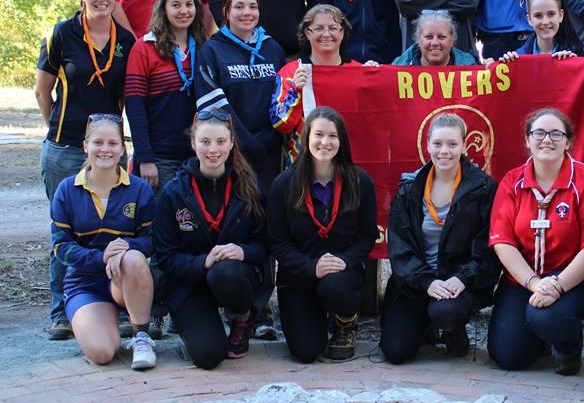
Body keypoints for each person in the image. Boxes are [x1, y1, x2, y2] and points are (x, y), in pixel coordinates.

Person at [35, 0, 137, 340]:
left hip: (110, 149)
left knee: (114, 227)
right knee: (64, 230)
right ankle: (61, 309)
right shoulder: (62, 34)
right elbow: (42, 91)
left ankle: (116, 303)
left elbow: (127, 95)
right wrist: (58, 128)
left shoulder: (125, 39)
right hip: (65, 147)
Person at [487, 109, 584, 375]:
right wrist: (533, 283)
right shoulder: (512, 181)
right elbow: (502, 242)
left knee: (547, 316)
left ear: (568, 142)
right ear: (527, 140)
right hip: (526, 279)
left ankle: (568, 348)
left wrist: (556, 286)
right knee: (509, 357)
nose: (547, 140)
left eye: (557, 134)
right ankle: (541, 337)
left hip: (579, 279)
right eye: (539, 133)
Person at [152, 111, 269, 369]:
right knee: (208, 356)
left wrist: (243, 252)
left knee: (224, 272)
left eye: (220, 141)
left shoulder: (249, 187)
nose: (213, 149)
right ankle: (199, 325)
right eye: (205, 142)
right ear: (193, 144)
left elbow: (265, 245)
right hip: (190, 285)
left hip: (234, 278)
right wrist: (203, 262)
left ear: (231, 143)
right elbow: (165, 256)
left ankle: (242, 318)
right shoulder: (174, 193)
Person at [380, 113, 500, 363]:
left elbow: (487, 247)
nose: (444, 151)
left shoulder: (483, 188)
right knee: (395, 351)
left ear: (464, 146)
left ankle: (452, 328)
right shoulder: (409, 188)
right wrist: (426, 282)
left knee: (446, 311)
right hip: (418, 281)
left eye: (452, 144)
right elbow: (399, 247)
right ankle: (425, 324)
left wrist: (462, 278)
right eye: (438, 144)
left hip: (457, 282)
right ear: (427, 145)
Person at [268, 107, 378, 362]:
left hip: (341, 274)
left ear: (342, 141)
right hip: (297, 275)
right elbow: (277, 241)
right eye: (318, 135)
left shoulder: (361, 182)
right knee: (306, 351)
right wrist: (310, 267)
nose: (325, 143)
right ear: (306, 138)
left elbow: (366, 235)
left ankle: (345, 322)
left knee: (335, 286)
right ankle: (313, 317)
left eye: (333, 136)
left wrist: (346, 261)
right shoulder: (283, 184)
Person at [50, 115, 156, 369]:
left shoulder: (139, 189)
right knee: (103, 353)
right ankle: (100, 322)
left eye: (112, 143)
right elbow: (60, 248)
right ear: (86, 146)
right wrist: (101, 257)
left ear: (122, 148)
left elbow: (152, 240)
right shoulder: (67, 190)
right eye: (98, 142)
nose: (105, 149)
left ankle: (141, 334)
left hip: (124, 277)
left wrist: (124, 249)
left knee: (133, 257)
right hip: (85, 283)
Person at [196, 0, 286, 189]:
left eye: (253, 6)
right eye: (239, 7)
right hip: (231, 151)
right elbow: (211, 104)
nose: (247, 12)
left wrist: (271, 137)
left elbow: (284, 98)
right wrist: (245, 141)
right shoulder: (212, 51)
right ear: (226, 11)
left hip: (270, 151)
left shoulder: (273, 49)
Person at [126, 0, 209, 191]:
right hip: (159, 159)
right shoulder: (144, 48)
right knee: (160, 223)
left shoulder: (204, 47)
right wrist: (145, 157)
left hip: (198, 155)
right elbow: (135, 106)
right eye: (176, 5)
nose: (184, 11)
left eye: (189, 4)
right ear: (163, 8)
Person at [271, 5, 360, 168]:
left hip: (350, 165)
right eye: (318, 28)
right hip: (302, 167)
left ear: (342, 32)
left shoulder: (359, 71)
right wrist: (295, 92)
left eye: (333, 28)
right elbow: (280, 124)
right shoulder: (290, 72)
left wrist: (375, 75)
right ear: (307, 32)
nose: (326, 34)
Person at [491, 0, 584, 62]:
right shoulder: (518, 57)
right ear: (529, 19)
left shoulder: (580, 54)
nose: (545, 22)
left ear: (561, 15)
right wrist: (494, 67)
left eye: (551, 14)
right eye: (538, 16)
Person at [392, 10, 479, 66]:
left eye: (441, 37)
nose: (435, 43)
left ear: (452, 40)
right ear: (419, 40)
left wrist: (491, 72)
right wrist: (378, 73)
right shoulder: (397, 68)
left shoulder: (470, 66)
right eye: (428, 37)